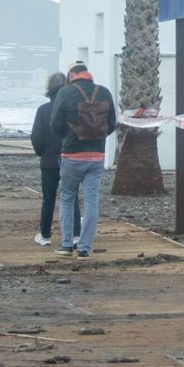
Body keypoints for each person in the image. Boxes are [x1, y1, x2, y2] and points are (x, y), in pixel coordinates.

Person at [49, 62, 117, 258]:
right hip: (97, 156)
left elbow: (55, 124)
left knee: (68, 197)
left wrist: (69, 137)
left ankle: (66, 244)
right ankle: (85, 247)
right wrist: (98, 139)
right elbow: (111, 123)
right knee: (91, 200)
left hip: (72, 154)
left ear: (72, 75)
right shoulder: (104, 92)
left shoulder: (65, 92)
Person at [30, 71, 79, 248]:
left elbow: (36, 136)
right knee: (71, 197)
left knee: (48, 198)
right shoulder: (72, 109)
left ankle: (45, 235)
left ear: (49, 90)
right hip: (70, 159)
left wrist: (42, 152)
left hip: (49, 161)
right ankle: (75, 235)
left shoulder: (43, 110)